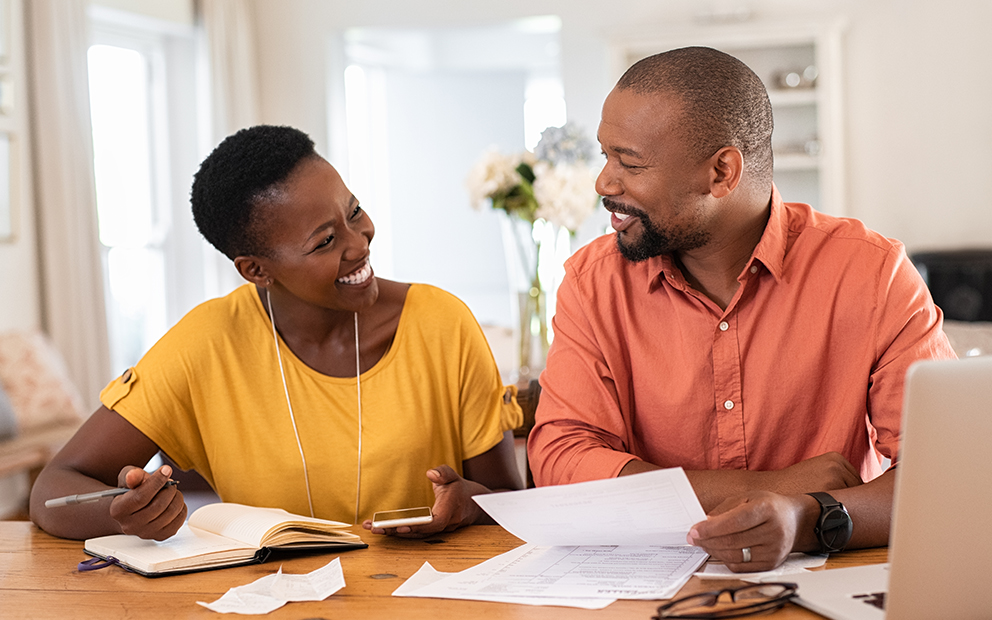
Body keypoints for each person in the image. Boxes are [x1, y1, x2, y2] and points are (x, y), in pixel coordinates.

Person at [527, 47, 956, 572]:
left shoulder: (871, 273)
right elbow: (560, 458)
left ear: (723, 172)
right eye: (605, 156)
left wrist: (806, 517)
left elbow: (945, 473)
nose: (604, 183)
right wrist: (764, 489)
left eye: (630, 163)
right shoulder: (593, 284)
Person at [30, 125, 523, 541]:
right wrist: (126, 516)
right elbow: (52, 489)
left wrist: (467, 504)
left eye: (353, 212)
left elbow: (508, 502)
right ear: (256, 270)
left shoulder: (442, 323)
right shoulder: (206, 343)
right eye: (325, 241)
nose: (360, 243)